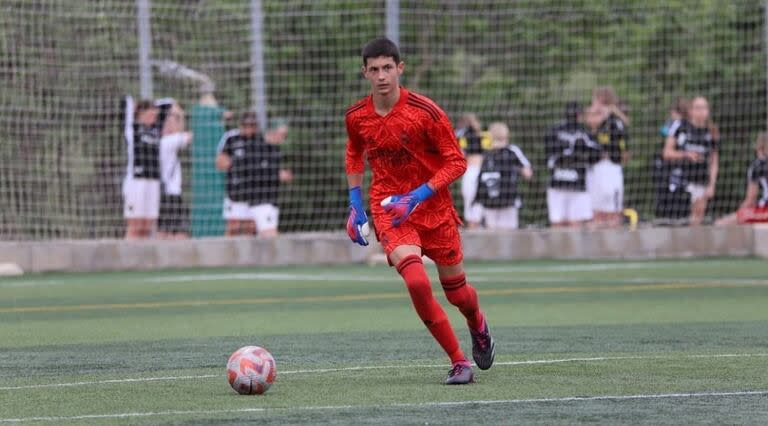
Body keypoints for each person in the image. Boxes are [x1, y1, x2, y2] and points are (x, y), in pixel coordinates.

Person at [345, 37, 495, 385]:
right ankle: (459, 362)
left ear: (400, 68)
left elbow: (456, 162)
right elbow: (354, 153)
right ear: (364, 73)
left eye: (387, 68)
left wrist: (417, 195)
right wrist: (355, 204)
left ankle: (478, 323)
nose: (381, 75)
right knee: (415, 280)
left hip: (435, 210)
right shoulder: (356, 116)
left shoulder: (425, 111)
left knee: (458, 293)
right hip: (389, 210)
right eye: (374, 69)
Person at [663, 96, 719, 226]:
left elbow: (714, 162)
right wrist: (685, 154)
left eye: (704, 107)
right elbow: (666, 153)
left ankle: (693, 246)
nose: (701, 111)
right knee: (679, 222)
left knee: (696, 220)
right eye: (698, 108)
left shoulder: (711, 132)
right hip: (681, 182)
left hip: (700, 182)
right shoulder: (681, 127)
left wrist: (712, 185)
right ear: (691, 110)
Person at [122, 96, 173, 239]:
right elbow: (126, 101)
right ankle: (128, 259)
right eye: (150, 113)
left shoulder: (156, 129)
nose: (154, 116)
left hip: (154, 180)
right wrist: (141, 105)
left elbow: (168, 103)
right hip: (137, 180)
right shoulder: (132, 128)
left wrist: (153, 105)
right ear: (141, 113)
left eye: (155, 114)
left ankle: (142, 260)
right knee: (135, 224)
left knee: (147, 225)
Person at [546, 102, 600, 228]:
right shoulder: (584, 132)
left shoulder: (554, 130)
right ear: (579, 115)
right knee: (575, 224)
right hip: (577, 184)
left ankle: (558, 247)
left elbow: (548, 158)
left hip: (557, 183)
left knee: (557, 222)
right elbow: (596, 155)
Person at [473, 122, 533, 230]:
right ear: (506, 135)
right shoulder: (512, 150)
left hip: (488, 201)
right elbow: (527, 173)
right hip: (508, 200)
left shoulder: (485, 153)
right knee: (509, 235)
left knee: (491, 235)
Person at [588, 86, 630, 228]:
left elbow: (625, 152)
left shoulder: (616, 120)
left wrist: (610, 111)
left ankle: (613, 246)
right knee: (596, 212)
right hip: (595, 168)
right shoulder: (595, 116)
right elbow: (591, 122)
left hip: (611, 168)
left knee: (613, 212)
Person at [216, 112, 263, 236]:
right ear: (240, 125)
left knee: (251, 228)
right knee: (233, 228)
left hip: (254, 194)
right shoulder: (231, 137)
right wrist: (237, 162)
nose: (249, 129)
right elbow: (220, 163)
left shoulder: (260, 140)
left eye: (252, 126)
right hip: (235, 192)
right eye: (246, 125)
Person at [715, 132, 768, 225]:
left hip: (765, 211)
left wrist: (739, 212)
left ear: (759, 147)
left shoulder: (758, 165)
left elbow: (751, 198)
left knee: (721, 223)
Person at [158, 102, 193, 239]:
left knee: (166, 232)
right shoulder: (168, 141)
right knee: (178, 233)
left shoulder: (161, 141)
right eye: (171, 119)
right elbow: (190, 135)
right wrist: (181, 115)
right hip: (171, 194)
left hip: (166, 194)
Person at [654, 98, 690, 224]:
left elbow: (667, 152)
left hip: (676, 174)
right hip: (669, 173)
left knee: (673, 209)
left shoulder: (680, 125)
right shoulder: (673, 126)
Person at [456, 113, 485, 228]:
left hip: (472, 171)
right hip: (484, 171)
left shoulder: (463, 134)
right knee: (481, 207)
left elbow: (460, 153)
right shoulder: (483, 134)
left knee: (471, 207)